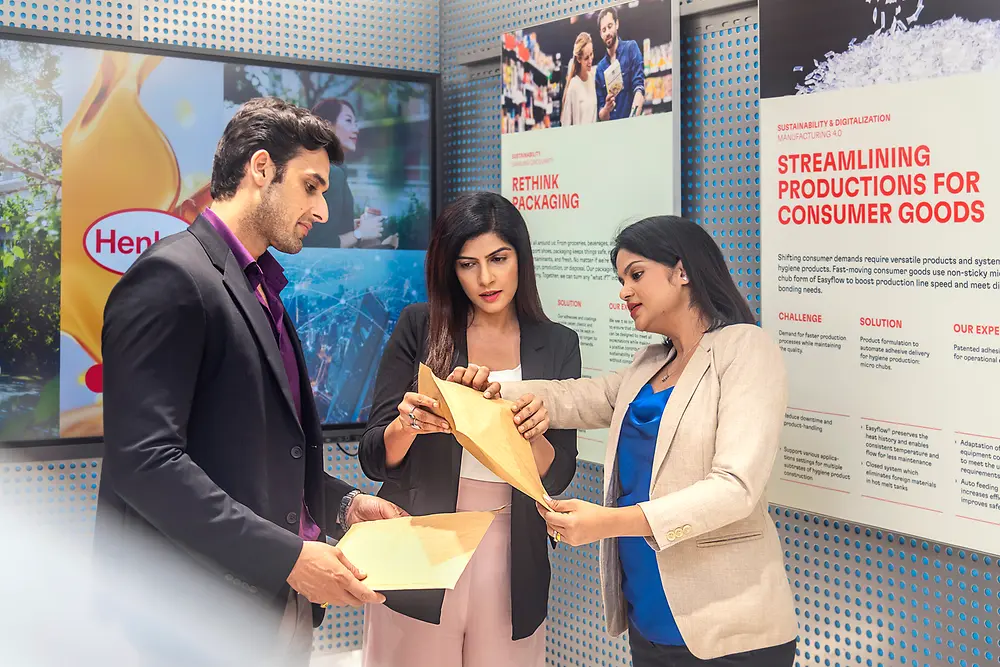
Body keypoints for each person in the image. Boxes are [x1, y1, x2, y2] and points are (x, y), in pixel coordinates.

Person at [96, 96, 407, 667]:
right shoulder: (171, 277)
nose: (323, 210)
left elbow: (260, 454)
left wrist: (344, 506)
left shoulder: (260, 284)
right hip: (188, 619)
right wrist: (288, 558)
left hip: (268, 606)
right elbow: (145, 464)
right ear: (261, 168)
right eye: (311, 187)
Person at [450, 216, 799, 666]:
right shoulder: (649, 363)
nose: (624, 292)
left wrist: (608, 523)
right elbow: (572, 397)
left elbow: (735, 489)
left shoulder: (745, 349)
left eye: (636, 275)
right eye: (621, 280)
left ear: (682, 271)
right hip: (648, 618)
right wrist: (484, 391)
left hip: (730, 629)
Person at [357, 192, 581, 667]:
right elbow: (374, 456)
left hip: (513, 551)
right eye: (468, 264)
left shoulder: (558, 343)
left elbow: (559, 475)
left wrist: (519, 428)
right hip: (420, 540)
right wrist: (410, 423)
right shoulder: (420, 326)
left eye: (498, 259)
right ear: (450, 269)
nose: (486, 279)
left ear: (521, 258)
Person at [303, 97, 390, 249]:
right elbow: (321, 245)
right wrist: (360, 233)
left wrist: (352, 227)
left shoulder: (324, 168)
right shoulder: (331, 173)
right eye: (349, 121)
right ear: (327, 126)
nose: (356, 130)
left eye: (356, 123)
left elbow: (319, 231)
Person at [594, 6, 646, 121]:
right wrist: (607, 108)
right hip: (612, 130)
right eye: (604, 30)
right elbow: (601, 114)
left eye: (610, 26)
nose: (607, 32)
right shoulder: (600, 69)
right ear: (600, 34)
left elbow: (639, 89)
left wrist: (632, 121)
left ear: (617, 24)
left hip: (633, 124)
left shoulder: (631, 48)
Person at [561, 32, 597, 127]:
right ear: (578, 59)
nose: (590, 60)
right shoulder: (574, 86)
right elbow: (566, 123)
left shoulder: (593, 77)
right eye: (586, 58)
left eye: (591, 54)